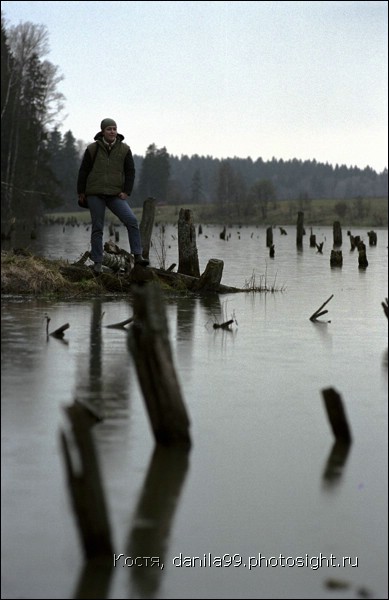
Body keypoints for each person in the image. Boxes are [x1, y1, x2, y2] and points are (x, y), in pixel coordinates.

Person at [77, 118, 149, 271]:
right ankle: (97, 262)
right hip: (94, 193)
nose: (112, 132)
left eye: (114, 129)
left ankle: (138, 255)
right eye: (109, 129)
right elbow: (83, 171)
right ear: (103, 131)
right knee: (97, 227)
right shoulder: (92, 149)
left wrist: (126, 191)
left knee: (131, 220)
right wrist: (81, 192)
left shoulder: (124, 149)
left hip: (114, 194)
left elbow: (130, 172)